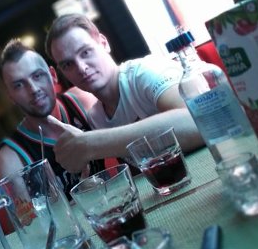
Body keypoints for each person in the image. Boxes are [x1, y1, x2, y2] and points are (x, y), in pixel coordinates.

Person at [44, 13, 204, 173]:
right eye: (68, 64)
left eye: (85, 52)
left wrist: (90, 143)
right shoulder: (96, 116)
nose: (81, 67)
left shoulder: (145, 73)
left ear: (103, 43)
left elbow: (198, 119)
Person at [0, 38, 106, 198]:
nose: (33, 89)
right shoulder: (11, 160)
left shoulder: (83, 102)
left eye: (37, 76)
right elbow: (27, 215)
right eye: (19, 85)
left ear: (53, 75)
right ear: (10, 96)